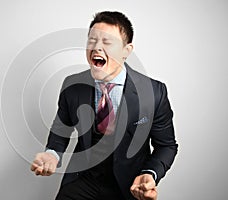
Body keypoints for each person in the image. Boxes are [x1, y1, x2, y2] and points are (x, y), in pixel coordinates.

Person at [31, 11, 178, 200]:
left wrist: (150, 173)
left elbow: (166, 146)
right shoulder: (72, 86)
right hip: (82, 180)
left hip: (129, 186)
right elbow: (61, 130)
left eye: (107, 42)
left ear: (126, 50)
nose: (96, 47)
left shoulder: (154, 92)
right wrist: (52, 154)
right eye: (92, 40)